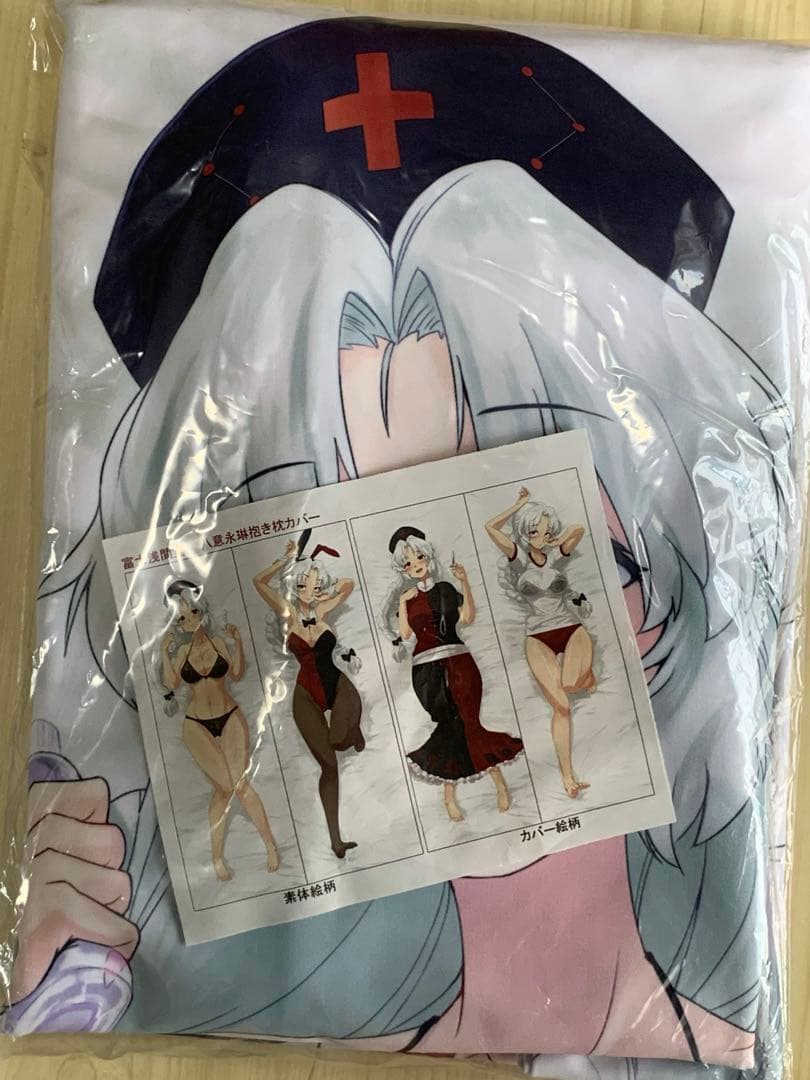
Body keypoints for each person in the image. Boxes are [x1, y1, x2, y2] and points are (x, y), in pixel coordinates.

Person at [383, 527, 523, 821]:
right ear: (403, 569)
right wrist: (402, 602)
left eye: (419, 557)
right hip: (426, 670)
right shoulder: (407, 597)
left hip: (459, 662)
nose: (415, 564)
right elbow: (406, 634)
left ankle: (493, 785)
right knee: (448, 728)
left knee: (470, 723)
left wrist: (465, 581)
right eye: (408, 563)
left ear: (428, 556)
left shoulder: (446, 588)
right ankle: (456, 794)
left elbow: (467, 618)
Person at [156, 579, 279, 880]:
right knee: (227, 787)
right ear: (176, 623)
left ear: (203, 611)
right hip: (196, 725)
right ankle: (217, 858)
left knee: (236, 786)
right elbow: (171, 683)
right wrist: (163, 651)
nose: (190, 620)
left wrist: (238, 642)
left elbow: (236, 674)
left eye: (194, 612)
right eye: (181, 618)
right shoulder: (180, 653)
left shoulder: (219, 643)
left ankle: (269, 846)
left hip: (230, 715)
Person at [253, 538, 364, 858]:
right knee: (329, 766)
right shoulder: (287, 612)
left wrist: (323, 593)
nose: (308, 591)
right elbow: (259, 582)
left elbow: (349, 583)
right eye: (303, 584)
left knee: (340, 735)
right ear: (294, 585)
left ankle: (350, 732)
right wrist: (287, 559)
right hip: (306, 694)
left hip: (337, 684)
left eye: (315, 586)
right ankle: (336, 840)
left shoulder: (323, 609)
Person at [485, 487, 595, 797]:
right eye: (534, 531)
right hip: (536, 635)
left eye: (546, 531)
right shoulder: (518, 559)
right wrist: (518, 504)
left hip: (570, 628)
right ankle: (567, 776)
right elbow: (490, 527)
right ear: (524, 531)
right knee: (562, 706)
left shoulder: (557, 556)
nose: (540, 537)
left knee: (571, 683)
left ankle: (585, 676)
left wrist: (558, 540)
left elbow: (579, 529)